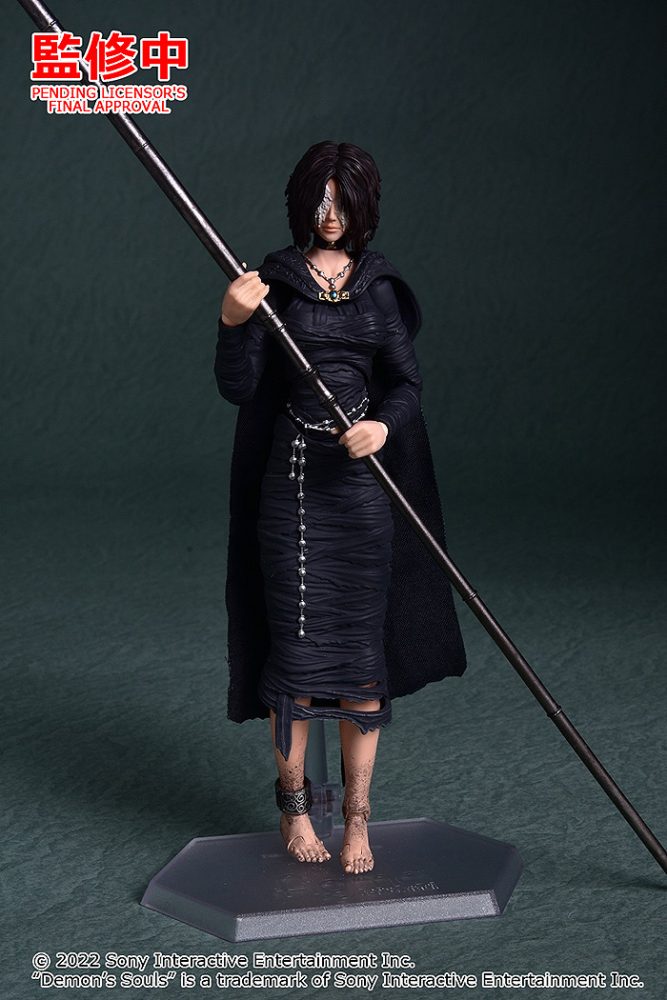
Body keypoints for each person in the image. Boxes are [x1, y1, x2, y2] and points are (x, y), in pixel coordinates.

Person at [214, 141, 466, 875]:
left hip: (359, 492)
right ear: (303, 203)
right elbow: (238, 388)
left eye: (343, 201)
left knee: (360, 666)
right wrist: (232, 321)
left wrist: (382, 426)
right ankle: (293, 812)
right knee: (294, 661)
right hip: (293, 490)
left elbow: (407, 384)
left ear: (363, 206)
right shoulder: (279, 286)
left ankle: (358, 818)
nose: (331, 215)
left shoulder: (377, 288)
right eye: (321, 200)